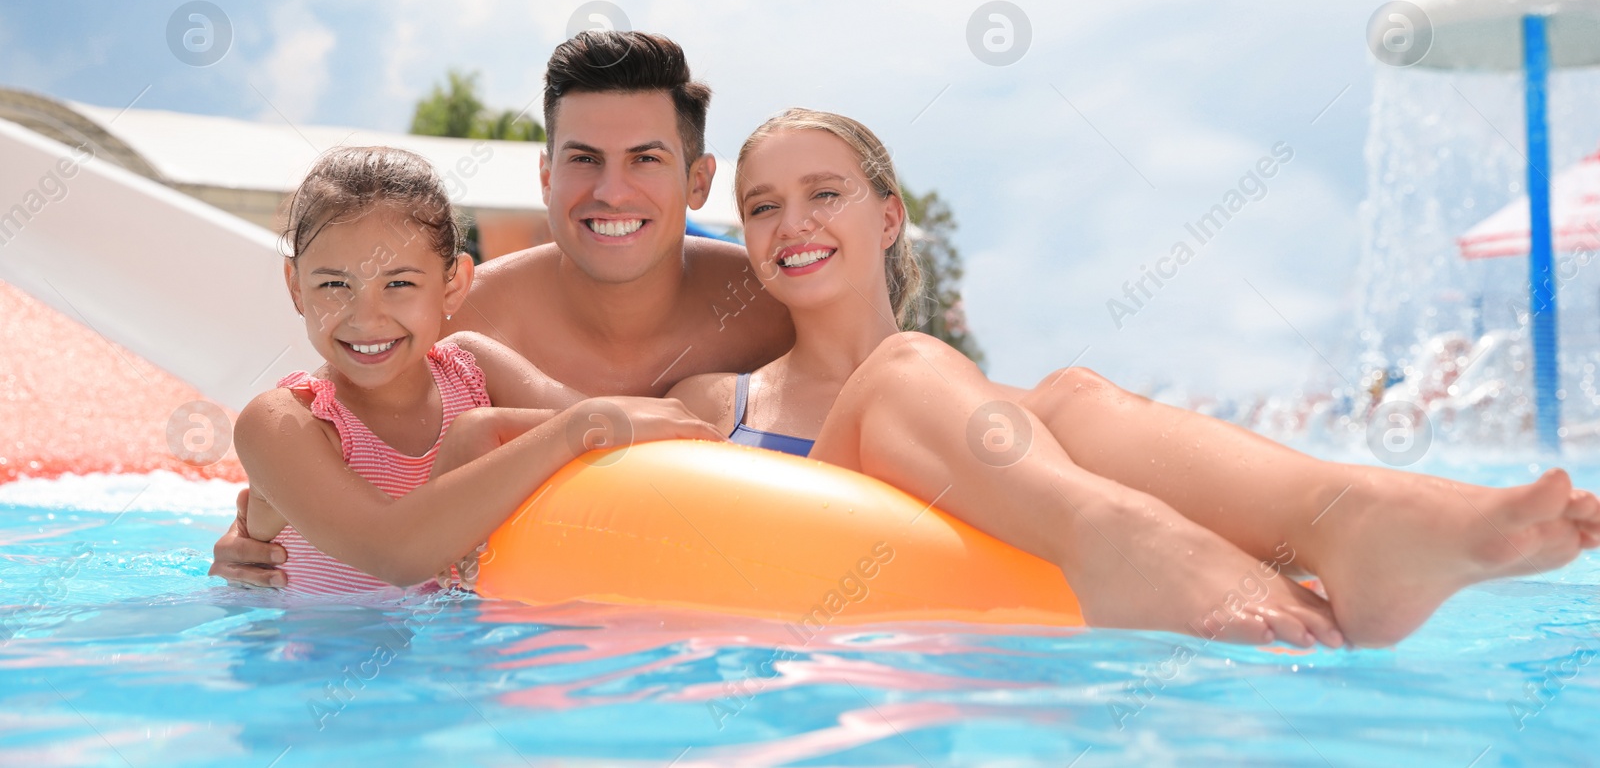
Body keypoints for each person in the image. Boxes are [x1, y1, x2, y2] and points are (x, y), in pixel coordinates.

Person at [662, 108, 1600, 647]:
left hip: (971, 656)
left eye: (825, 193)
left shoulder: (1001, 415)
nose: (793, 224)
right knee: (908, 366)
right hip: (818, 611)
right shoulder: (722, 402)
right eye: (762, 207)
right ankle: (1132, 547)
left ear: (890, 216)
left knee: (1072, 394)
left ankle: (1354, 518)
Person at [211, 32, 793, 586]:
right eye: (585, 159)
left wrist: (488, 432)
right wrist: (255, 525)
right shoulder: (454, 321)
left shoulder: (774, 305)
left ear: (698, 180)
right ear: (546, 177)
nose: (612, 192)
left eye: (644, 158)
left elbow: (634, 438)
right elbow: (346, 431)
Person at [231, 145, 721, 593]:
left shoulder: (472, 369)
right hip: (315, 670)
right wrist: (568, 429)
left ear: (453, 285)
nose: (366, 317)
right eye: (334, 285)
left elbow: (627, 442)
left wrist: (487, 427)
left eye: (399, 283)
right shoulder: (282, 423)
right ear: (296, 288)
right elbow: (395, 554)